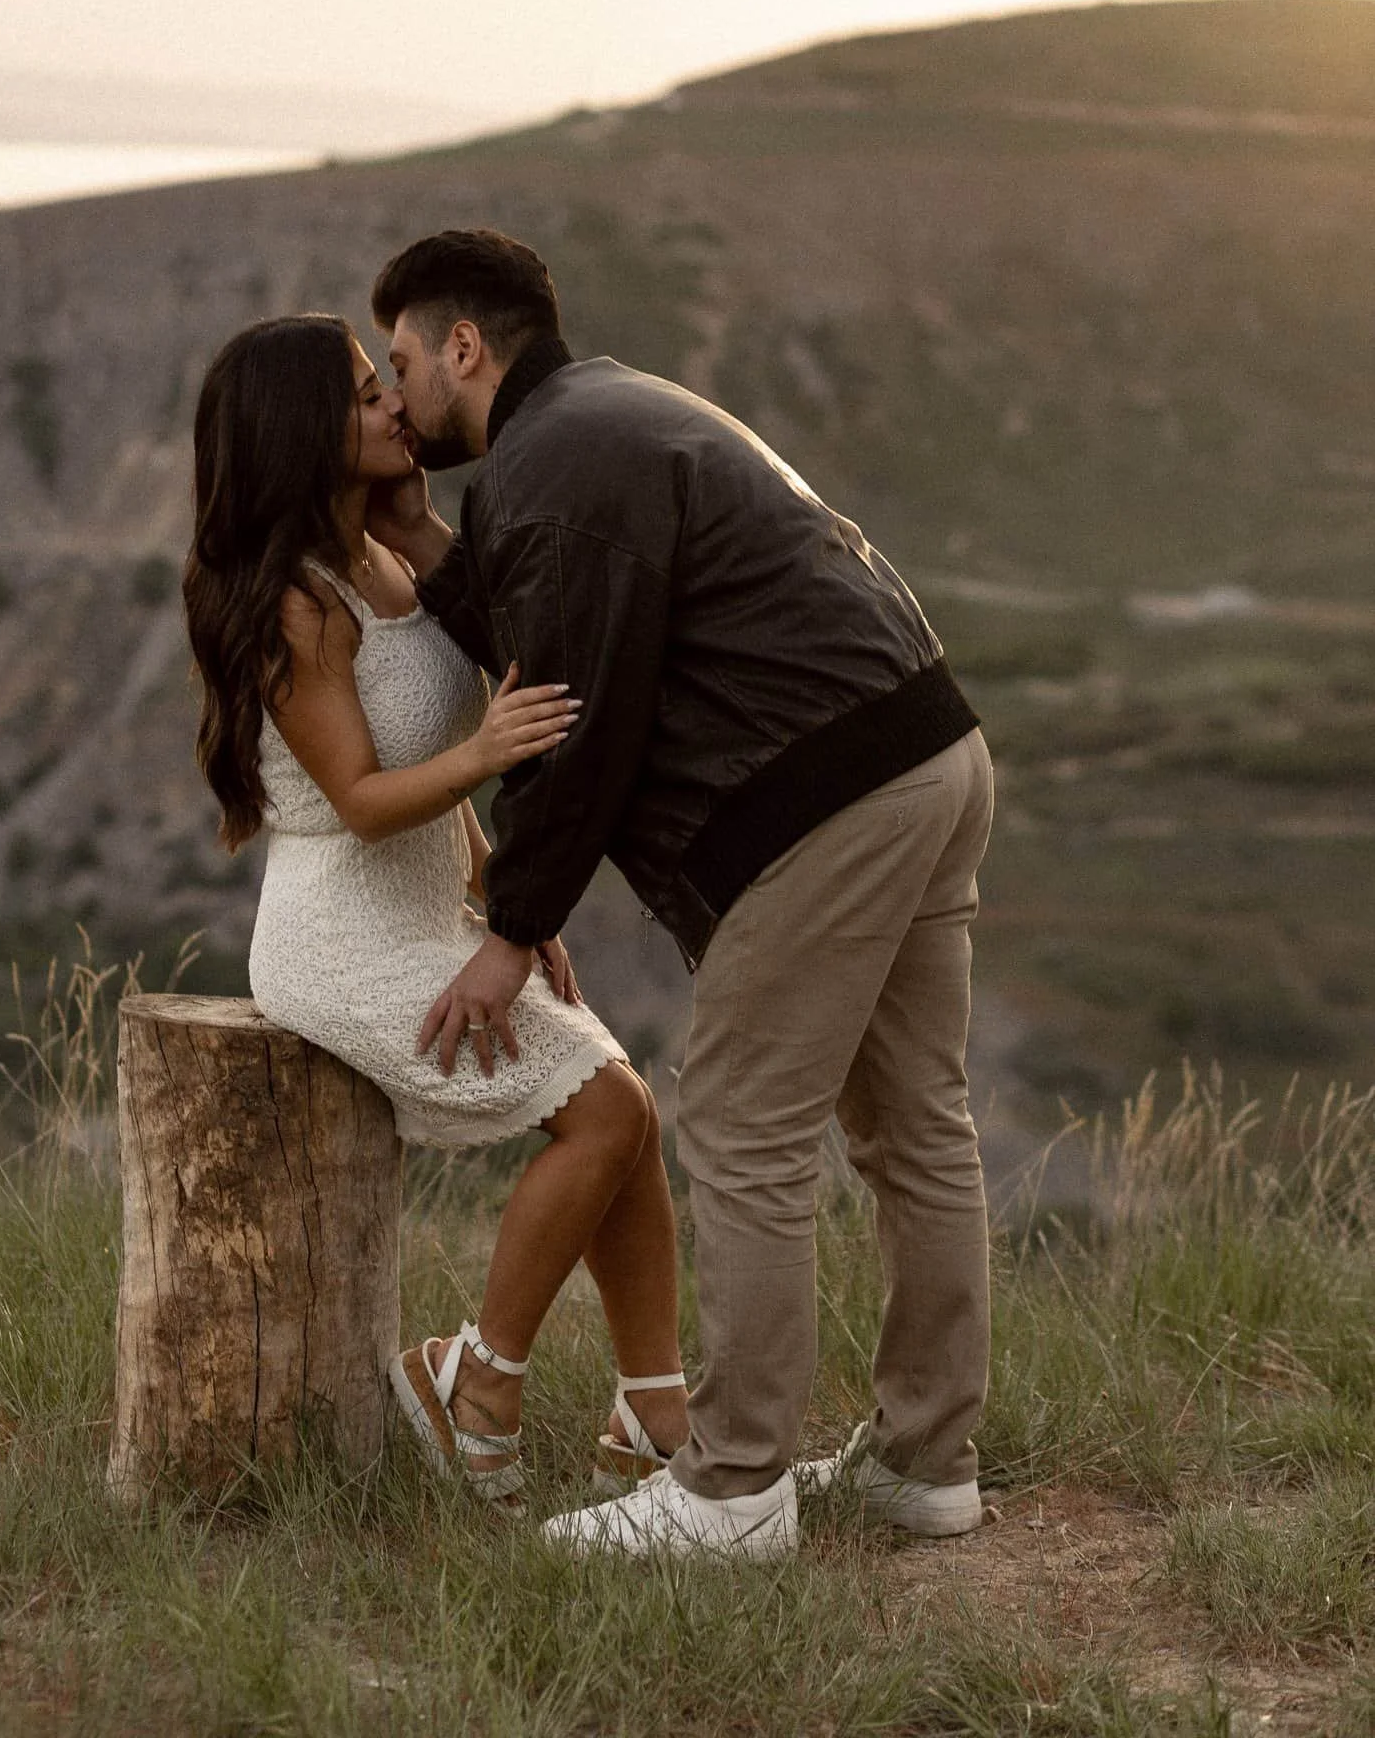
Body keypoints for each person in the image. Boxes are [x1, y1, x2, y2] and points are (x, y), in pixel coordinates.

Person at [365, 230, 995, 1560]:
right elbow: (537, 613)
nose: (395, 390)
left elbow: (569, 717)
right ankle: (923, 1465)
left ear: (463, 348)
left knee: (740, 1131)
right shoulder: (601, 421)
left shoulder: (554, 462)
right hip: (928, 750)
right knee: (911, 1127)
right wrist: (413, 534)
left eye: (402, 361)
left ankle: (731, 1490)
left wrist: (510, 930)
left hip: (825, 799)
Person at [181, 313, 688, 1511]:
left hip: (430, 907)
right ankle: (476, 1378)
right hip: (341, 936)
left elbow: (442, 719)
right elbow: (360, 796)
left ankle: (657, 1408)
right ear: (307, 433)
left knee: (629, 1114)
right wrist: (491, 753)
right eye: (366, 398)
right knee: (606, 1110)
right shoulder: (299, 605)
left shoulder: (388, 559)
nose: (395, 407)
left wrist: (508, 902)